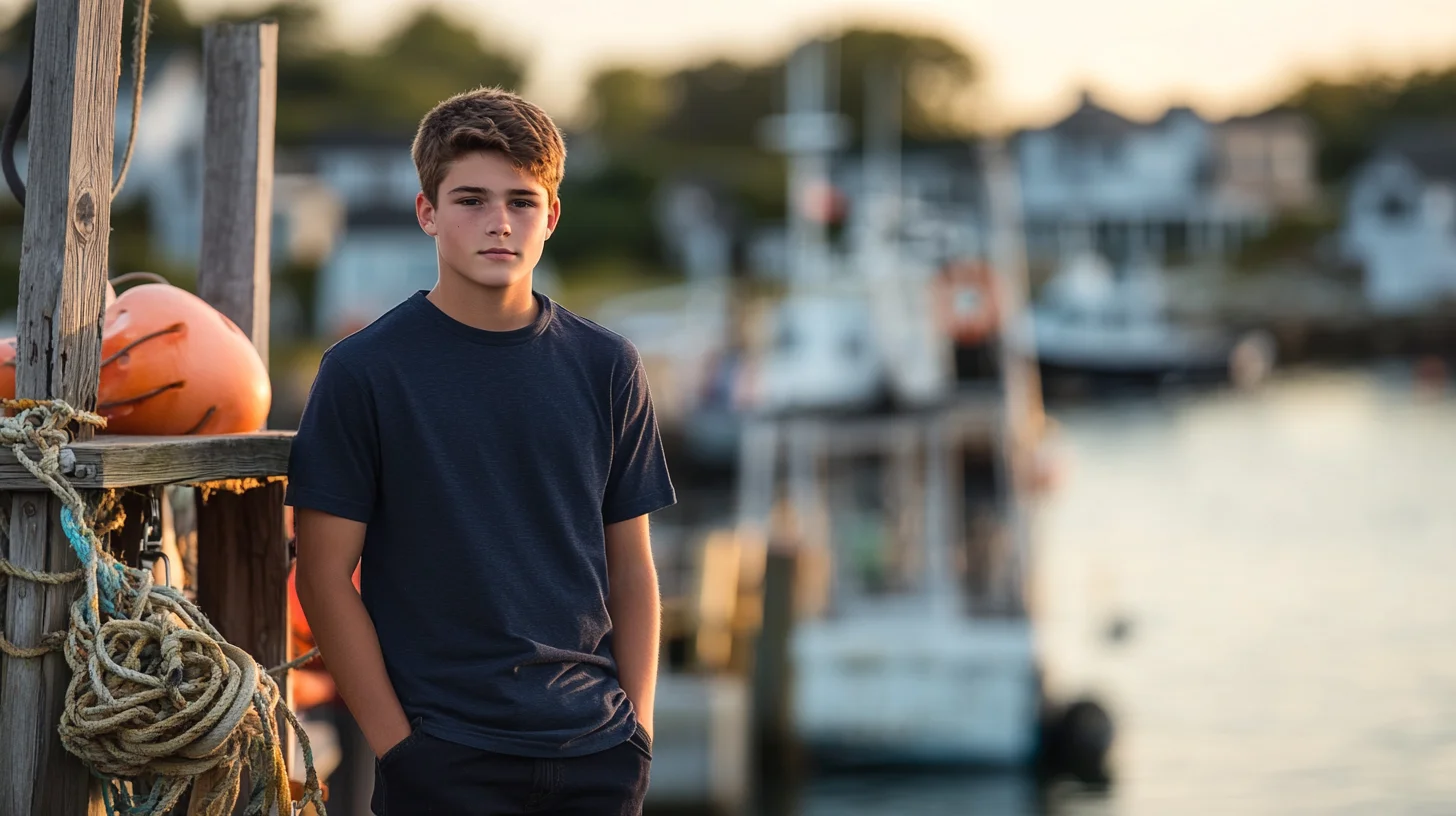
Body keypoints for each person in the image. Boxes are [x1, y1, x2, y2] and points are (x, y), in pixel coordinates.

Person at [287, 86, 675, 815]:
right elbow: (323, 576)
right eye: (470, 200)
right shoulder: (363, 372)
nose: (499, 223)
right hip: (445, 757)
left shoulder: (607, 365)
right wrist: (399, 748)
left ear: (551, 216)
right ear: (427, 212)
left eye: (522, 201)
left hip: (597, 756)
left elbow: (632, 566)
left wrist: (639, 733)